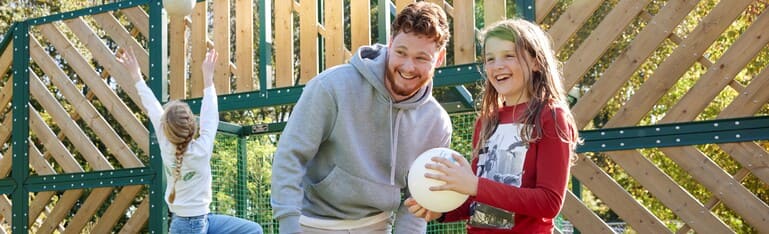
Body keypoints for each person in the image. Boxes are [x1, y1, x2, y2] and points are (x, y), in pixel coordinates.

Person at [270, 2, 453, 233]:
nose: (408, 66)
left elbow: (415, 201)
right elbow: (290, 155)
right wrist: (289, 224)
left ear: (439, 59)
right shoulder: (331, 87)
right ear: (390, 44)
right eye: (401, 52)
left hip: (376, 224)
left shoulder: (437, 123)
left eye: (421, 58)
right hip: (310, 222)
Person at [404, 18, 581, 233]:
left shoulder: (551, 117)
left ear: (536, 62)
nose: (497, 65)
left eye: (509, 55)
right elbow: (480, 203)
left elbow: (549, 202)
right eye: (490, 59)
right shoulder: (486, 122)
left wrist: (475, 185)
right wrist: (441, 212)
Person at [117, 48, 263, 234]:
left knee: (253, 230)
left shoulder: (166, 143)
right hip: (189, 226)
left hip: (201, 220)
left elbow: (152, 106)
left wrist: (136, 75)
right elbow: (210, 115)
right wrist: (208, 77)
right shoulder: (200, 151)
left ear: (166, 129)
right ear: (193, 126)